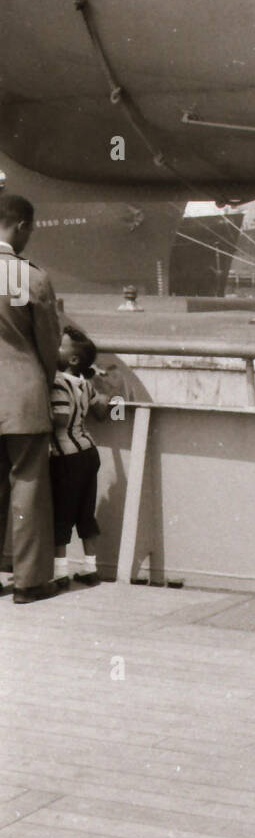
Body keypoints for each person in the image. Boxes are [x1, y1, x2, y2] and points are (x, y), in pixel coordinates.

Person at [0, 193, 62, 603]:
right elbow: (48, 345)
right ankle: (28, 582)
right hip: (20, 398)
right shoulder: (27, 278)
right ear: (20, 225)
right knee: (27, 485)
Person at [49, 325, 109, 590]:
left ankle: (60, 572)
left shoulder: (58, 382)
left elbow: (60, 418)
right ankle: (90, 569)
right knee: (85, 512)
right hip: (89, 453)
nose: (54, 349)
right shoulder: (86, 385)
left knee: (61, 513)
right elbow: (102, 413)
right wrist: (112, 396)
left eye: (59, 346)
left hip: (66, 457)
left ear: (72, 359)